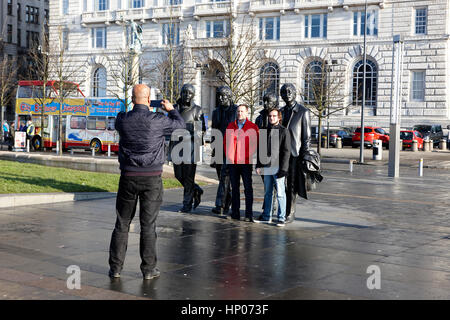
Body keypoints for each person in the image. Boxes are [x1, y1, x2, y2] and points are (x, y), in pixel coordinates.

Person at [108, 84, 185, 280]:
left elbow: (120, 119)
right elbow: (180, 126)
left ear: (132, 99)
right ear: (150, 99)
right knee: (148, 225)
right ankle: (149, 269)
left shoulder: (122, 119)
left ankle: (115, 268)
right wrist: (171, 110)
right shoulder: (158, 120)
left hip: (128, 176)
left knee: (122, 223)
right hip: (152, 178)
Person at [170, 84, 206, 213]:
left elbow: (202, 131)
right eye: (184, 92)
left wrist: (188, 133)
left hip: (190, 149)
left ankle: (187, 204)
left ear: (193, 95)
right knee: (178, 175)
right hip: (176, 148)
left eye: (190, 93)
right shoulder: (174, 109)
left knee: (189, 177)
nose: (187, 95)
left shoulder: (197, 110)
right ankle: (196, 189)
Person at [280, 83, 312, 224]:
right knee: (279, 184)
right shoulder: (280, 111)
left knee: (291, 185)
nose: (287, 94)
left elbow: (307, 137)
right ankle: (280, 209)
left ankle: (290, 212)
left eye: (289, 91)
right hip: (280, 153)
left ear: (294, 93)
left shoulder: (303, 112)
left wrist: (305, 155)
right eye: (284, 92)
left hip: (295, 154)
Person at [255, 108, 290, 226]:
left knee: (280, 193)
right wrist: (258, 165)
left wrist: (284, 169)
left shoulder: (284, 131)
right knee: (267, 193)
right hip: (266, 166)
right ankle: (266, 217)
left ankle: (281, 218)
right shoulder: (264, 130)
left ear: (279, 117)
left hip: (278, 167)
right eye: (270, 116)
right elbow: (261, 150)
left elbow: (286, 152)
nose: (271, 118)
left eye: (274, 116)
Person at [224, 104, 259, 222]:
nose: (240, 113)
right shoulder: (230, 126)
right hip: (233, 162)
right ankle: (235, 212)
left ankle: (249, 214)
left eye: (242, 111)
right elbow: (225, 143)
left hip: (245, 161)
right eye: (238, 111)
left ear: (247, 113)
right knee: (234, 188)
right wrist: (229, 156)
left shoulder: (252, 127)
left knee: (248, 188)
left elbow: (255, 144)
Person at [211, 86, 237, 216]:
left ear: (230, 96)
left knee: (224, 176)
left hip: (232, 148)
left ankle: (219, 204)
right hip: (219, 148)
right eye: (219, 96)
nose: (221, 98)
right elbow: (214, 131)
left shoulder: (236, 110)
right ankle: (228, 202)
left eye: (223, 96)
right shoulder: (216, 112)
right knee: (223, 178)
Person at [255, 92, 279, 216]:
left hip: (275, 157)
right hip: (262, 155)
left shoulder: (278, 117)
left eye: (268, 101)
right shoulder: (259, 118)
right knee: (267, 185)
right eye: (264, 100)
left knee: (276, 186)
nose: (265, 104)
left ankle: (270, 209)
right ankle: (268, 209)